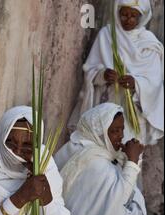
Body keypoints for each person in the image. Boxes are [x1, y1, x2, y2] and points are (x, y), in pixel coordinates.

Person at [55, 103, 164, 215]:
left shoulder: (79, 143)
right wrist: (132, 162)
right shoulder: (95, 163)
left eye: (122, 129)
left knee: (135, 203)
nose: (121, 136)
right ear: (98, 130)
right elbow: (118, 200)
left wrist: (125, 158)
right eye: (114, 131)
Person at [69, 0, 163, 145]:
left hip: (132, 113)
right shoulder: (107, 35)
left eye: (133, 15)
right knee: (100, 147)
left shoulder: (149, 44)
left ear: (141, 17)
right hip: (105, 105)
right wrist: (102, 75)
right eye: (124, 14)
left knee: (128, 151)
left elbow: (155, 82)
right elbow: (90, 70)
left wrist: (136, 84)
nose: (128, 19)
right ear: (117, 13)